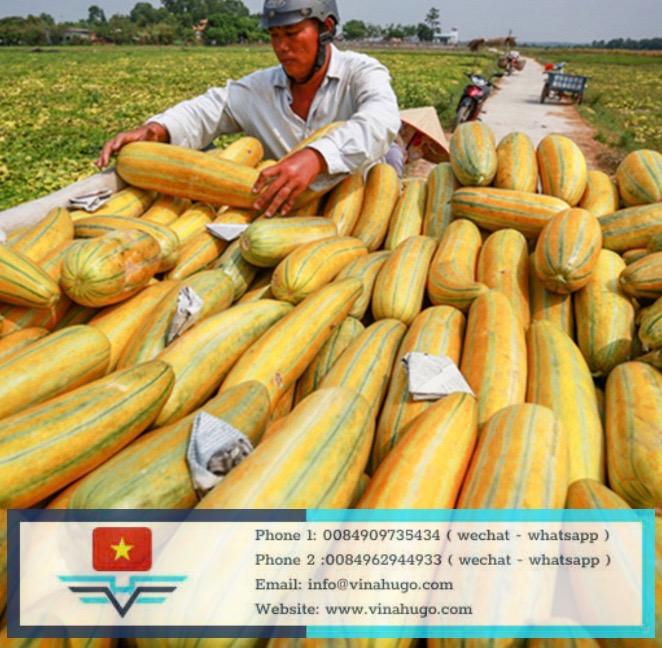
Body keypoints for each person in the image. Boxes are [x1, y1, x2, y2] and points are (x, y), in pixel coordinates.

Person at [95, 0, 402, 217]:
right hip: (283, 213)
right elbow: (209, 109)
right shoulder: (260, 88)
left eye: (291, 34)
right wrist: (157, 130)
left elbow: (381, 119)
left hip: (353, 208)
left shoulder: (361, 72)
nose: (281, 47)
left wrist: (317, 157)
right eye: (274, 36)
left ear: (327, 28)